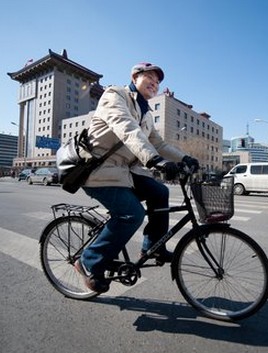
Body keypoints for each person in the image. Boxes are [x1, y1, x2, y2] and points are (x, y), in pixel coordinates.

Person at [75, 62, 199, 293]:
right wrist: (154, 160)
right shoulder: (115, 95)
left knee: (160, 192)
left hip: (124, 172)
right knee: (132, 214)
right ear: (135, 76)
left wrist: (185, 158)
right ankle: (87, 262)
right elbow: (126, 128)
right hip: (99, 171)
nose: (155, 83)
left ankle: (152, 247)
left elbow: (158, 143)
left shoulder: (146, 113)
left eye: (158, 81)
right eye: (150, 77)